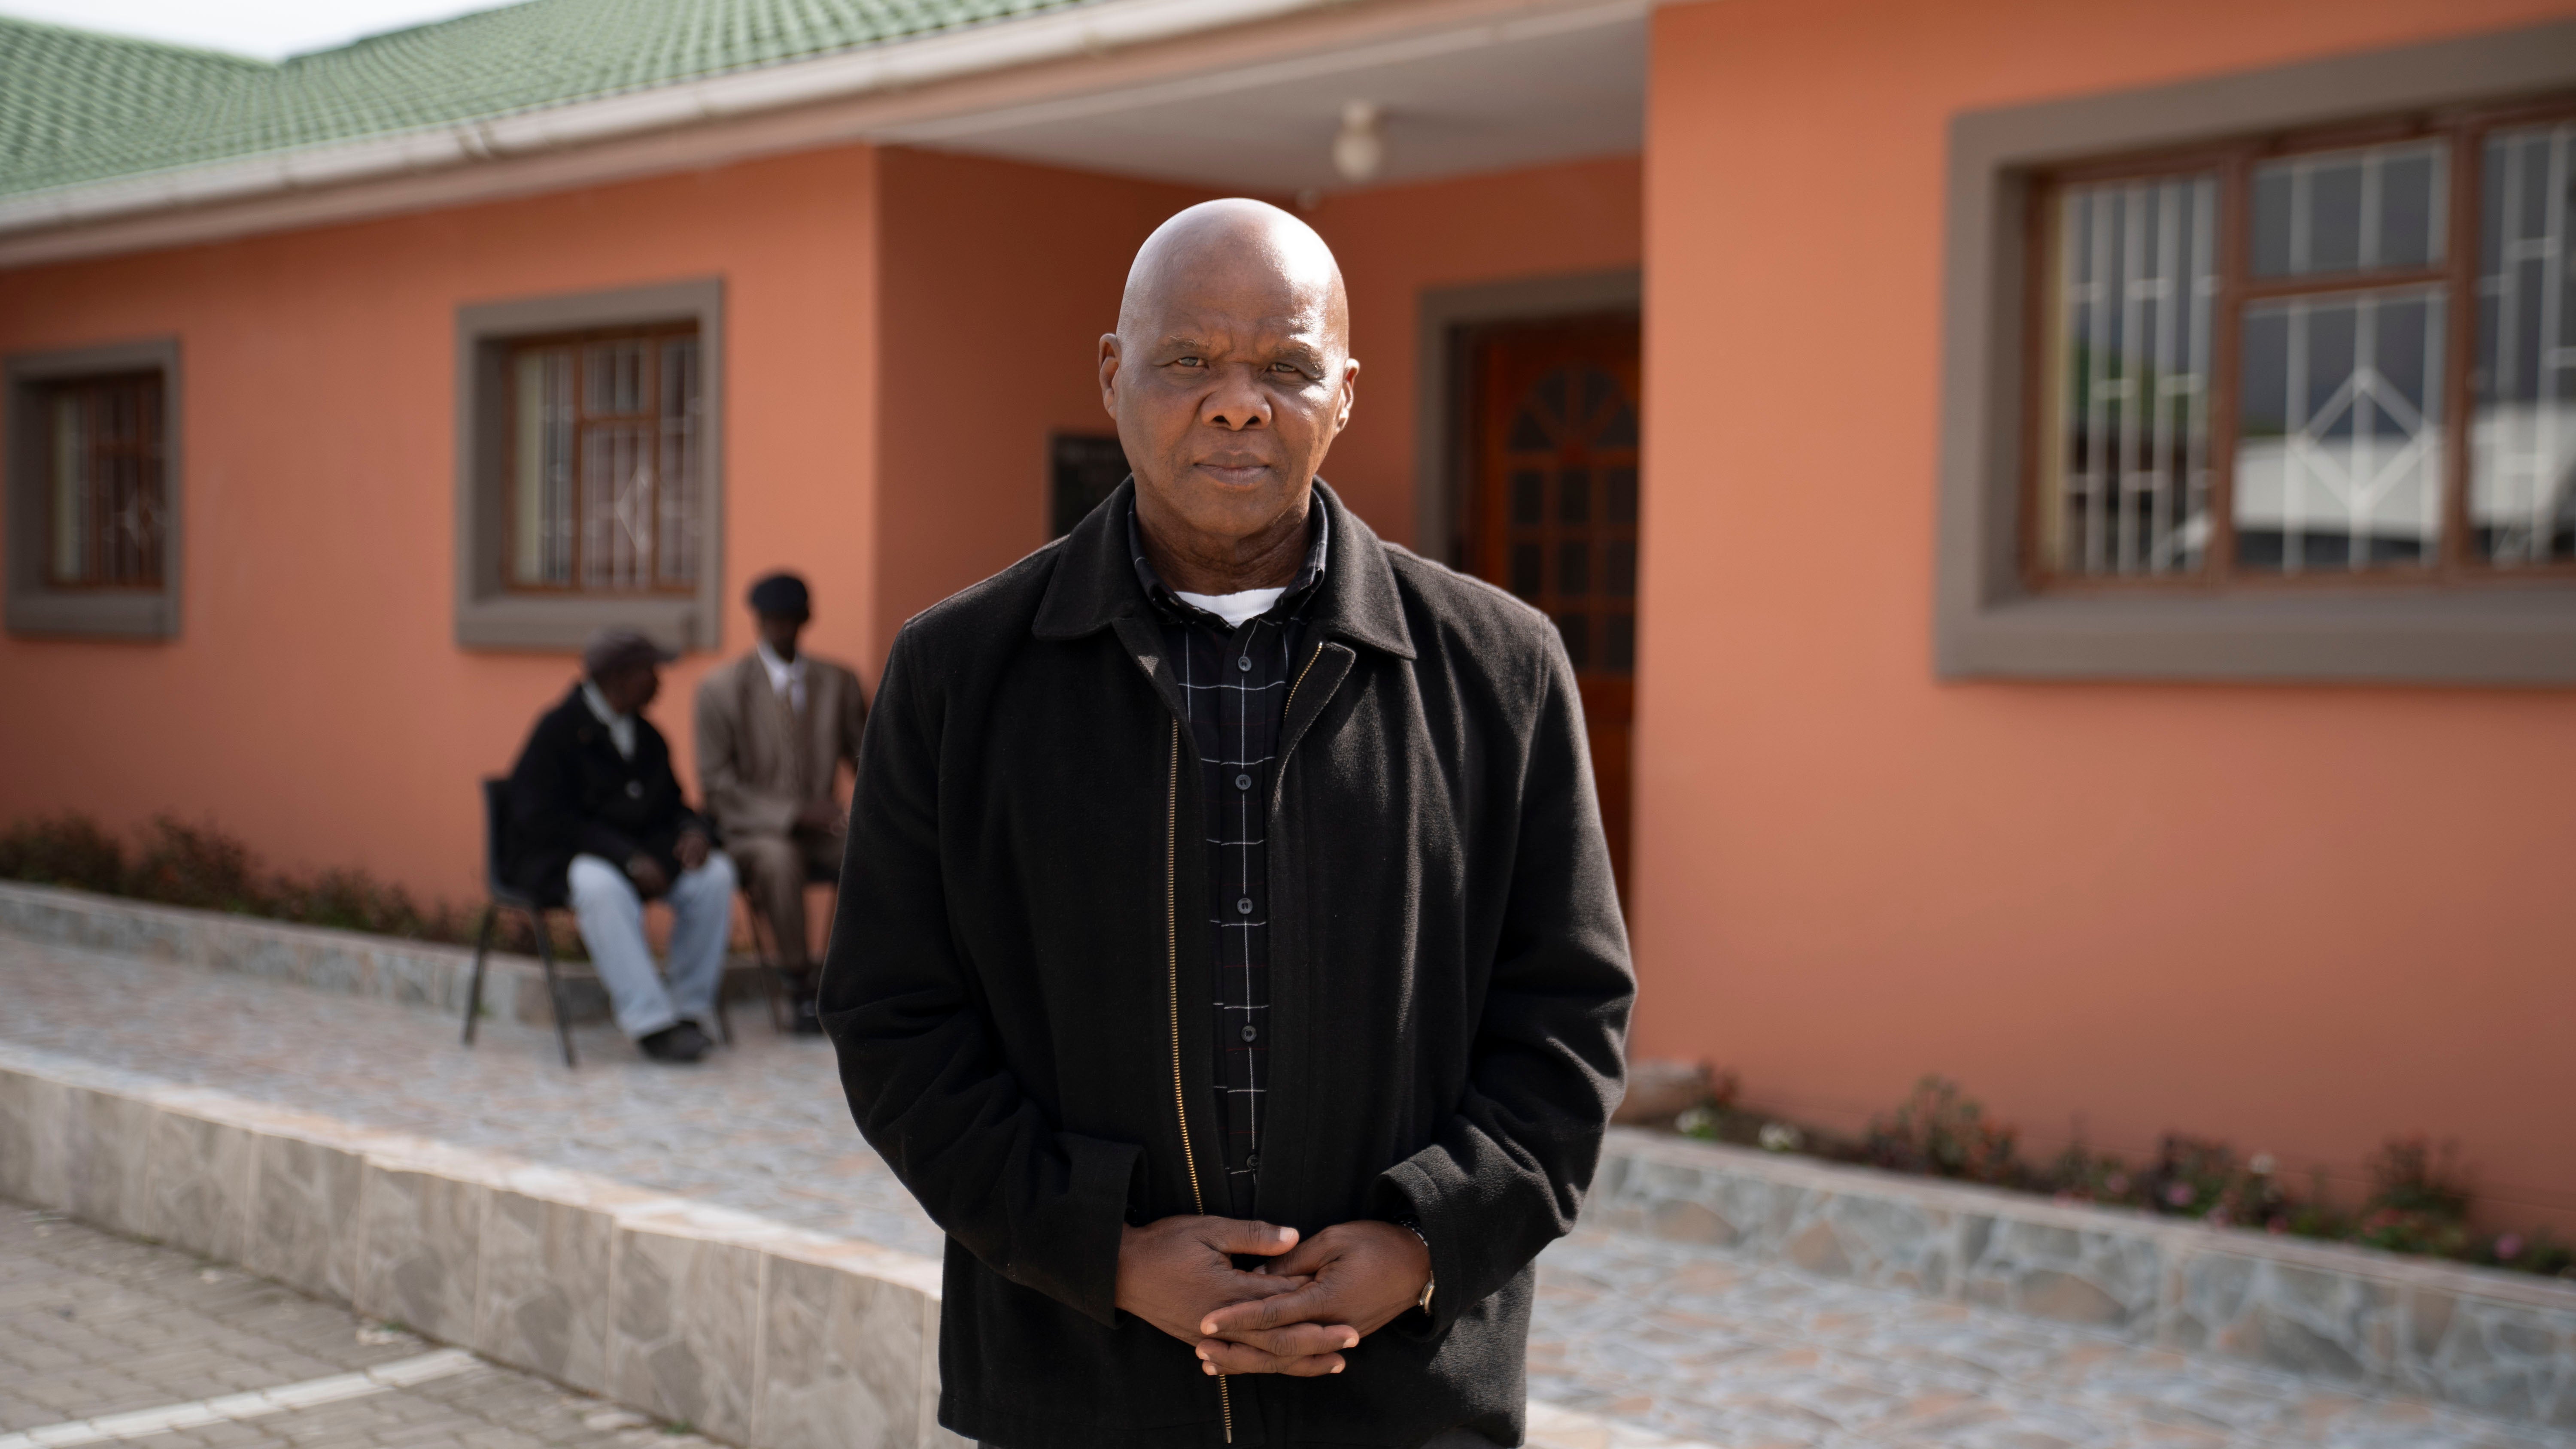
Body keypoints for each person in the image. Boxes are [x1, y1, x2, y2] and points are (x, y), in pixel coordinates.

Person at [821, 199, 1633, 1448]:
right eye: (1188, 361)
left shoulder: (1499, 668)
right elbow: (894, 1016)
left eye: (1286, 367)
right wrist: (1103, 1249)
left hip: (1399, 1391)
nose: (1237, 402)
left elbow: (1566, 1014)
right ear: (1112, 374)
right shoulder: (959, 674)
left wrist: (1422, 1242)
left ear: (1346, 392)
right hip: (1075, 1382)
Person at [503, 627, 737, 1065]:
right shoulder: (556, 731)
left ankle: (688, 1010)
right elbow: (542, 819)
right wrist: (624, 857)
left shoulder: (648, 737)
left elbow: (673, 805)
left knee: (716, 875)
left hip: (647, 860)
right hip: (571, 861)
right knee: (599, 887)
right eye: (651, 671)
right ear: (619, 677)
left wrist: (695, 833)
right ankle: (650, 1023)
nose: (660, 681)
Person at [694, 571, 868, 1033]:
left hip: (824, 829)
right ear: (758, 622)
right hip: (751, 833)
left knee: (874, 849)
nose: (781, 627)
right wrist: (792, 814)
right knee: (779, 858)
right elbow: (716, 785)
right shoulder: (720, 688)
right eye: (771, 619)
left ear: (806, 618)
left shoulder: (840, 682)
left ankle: (851, 975)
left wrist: (868, 815)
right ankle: (797, 984)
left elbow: (869, 757)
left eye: (790, 618)